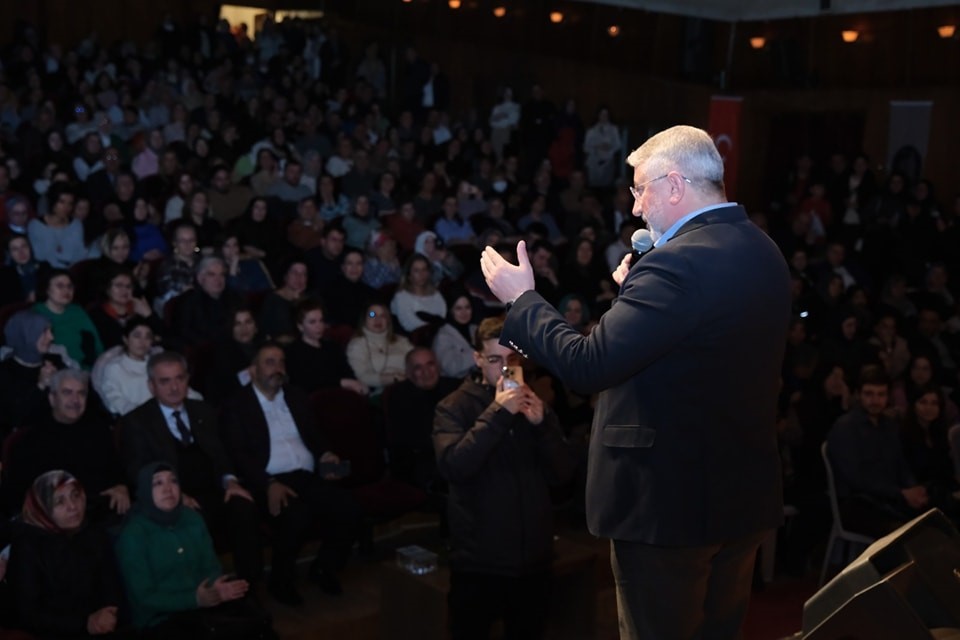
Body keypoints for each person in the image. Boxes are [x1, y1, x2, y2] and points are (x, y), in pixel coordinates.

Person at [479, 125, 792, 639]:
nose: (636, 208)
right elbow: (700, 350)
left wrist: (523, 302)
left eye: (640, 189)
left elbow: (588, 366)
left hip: (668, 506)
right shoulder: (763, 250)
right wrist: (636, 296)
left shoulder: (677, 264)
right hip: (738, 497)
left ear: (674, 185)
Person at [433, 317, 576, 639]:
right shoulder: (453, 407)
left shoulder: (535, 403)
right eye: (495, 360)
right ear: (478, 359)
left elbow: (563, 474)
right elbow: (454, 467)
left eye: (511, 360)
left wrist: (543, 427)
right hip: (479, 562)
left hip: (534, 560)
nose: (503, 369)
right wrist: (498, 413)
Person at [222, 344, 362, 606]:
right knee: (296, 515)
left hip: (306, 475)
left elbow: (314, 435)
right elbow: (238, 455)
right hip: (268, 480)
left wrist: (326, 454)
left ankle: (324, 567)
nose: (278, 368)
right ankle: (280, 580)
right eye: (270, 362)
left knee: (350, 507)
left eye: (281, 362)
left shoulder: (297, 396)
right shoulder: (237, 405)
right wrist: (268, 483)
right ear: (253, 371)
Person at [118, 352, 262, 584]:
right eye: (165, 381)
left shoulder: (203, 410)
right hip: (175, 497)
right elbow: (137, 470)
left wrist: (230, 480)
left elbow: (222, 454)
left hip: (216, 489)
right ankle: (206, 594)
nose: (174, 387)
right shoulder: (137, 421)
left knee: (244, 507)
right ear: (151, 386)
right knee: (192, 521)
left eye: (179, 378)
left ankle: (249, 588)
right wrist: (177, 495)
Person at [115, 462, 273, 638]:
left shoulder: (191, 518)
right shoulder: (133, 535)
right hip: (160, 618)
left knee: (259, 622)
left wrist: (218, 589)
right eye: (158, 483)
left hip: (202, 605)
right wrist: (195, 599)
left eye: (173, 481)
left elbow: (211, 567)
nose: (168, 489)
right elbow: (144, 598)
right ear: (145, 490)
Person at [6, 470, 126, 638]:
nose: (72, 506)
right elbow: (28, 613)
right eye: (59, 502)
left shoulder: (92, 532)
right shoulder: (28, 546)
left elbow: (112, 584)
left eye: (75, 495)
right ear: (42, 508)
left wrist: (111, 613)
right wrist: (85, 623)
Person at [1, 369, 129, 523]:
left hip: (98, 514)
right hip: (50, 521)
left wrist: (121, 486)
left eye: (81, 393)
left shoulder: (99, 430)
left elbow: (116, 469)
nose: (75, 400)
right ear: (52, 399)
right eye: (67, 392)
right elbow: (20, 495)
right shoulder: (30, 440)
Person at [827, 365, 930, 537]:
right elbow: (856, 479)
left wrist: (913, 489)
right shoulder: (845, 427)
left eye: (881, 394)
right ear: (859, 394)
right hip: (859, 504)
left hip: (888, 499)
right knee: (907, 535)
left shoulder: (888, 425)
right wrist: (901, 493)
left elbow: (900, 464)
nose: (875, 400)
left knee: (937, 519)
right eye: (869, 394)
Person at [384, 347, 459, 490]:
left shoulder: (455, 387)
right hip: (421, 461)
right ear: (408, 373)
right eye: (418, 367)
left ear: (437, 366)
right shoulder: (398, 396)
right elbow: (407, 440)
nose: (426, 372)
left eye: (430, 364)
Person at [0, 310, 77, 437]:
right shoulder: (5, 372)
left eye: (50, 331)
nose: (51, 337)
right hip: (31, 438)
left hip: (63, 431)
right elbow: (15, 419)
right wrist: (40, 386)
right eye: (44, 332)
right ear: (26, 335)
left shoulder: (55, 360)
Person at [285, 298, 365, 396]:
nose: (319, 326)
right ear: (300, 326)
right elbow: (306, 383)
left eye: (321, 320)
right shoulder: (293, 352)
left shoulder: (332, 347)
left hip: (343, 396)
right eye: (312, 322)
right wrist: (341, 382)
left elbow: (348, 373)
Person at [33, 268, 104, 369]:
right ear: (47, 289)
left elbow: (97, 344)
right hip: (55, 370)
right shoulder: (36, 313)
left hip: (85, 368)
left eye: (69, 286)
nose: (66, 291)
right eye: (60, 286)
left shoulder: (77, 311)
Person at [346, 302, 413, 396]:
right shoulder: (357, 345)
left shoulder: (401, 340)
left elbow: (418, 362)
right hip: (383, 394)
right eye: (372, 315)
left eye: (383, 315)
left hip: (412, 385)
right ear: (364, 320)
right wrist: (393, 378)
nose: (378, 319)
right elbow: (360, 376)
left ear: (388, 320)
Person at [390, 253, 447, 333]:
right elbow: (410, 324)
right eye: (416, 271)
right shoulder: (401, 296)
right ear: (409, 275)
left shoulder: (435, 294)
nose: (421, 274)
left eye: (424, 270)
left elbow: (443, 316)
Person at [431, 290, 478, 380]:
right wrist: (479, 351)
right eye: (458, 308)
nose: (464, 313)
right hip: (451, 384)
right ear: (450, 310)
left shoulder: (474, 329)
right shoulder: (443, 336)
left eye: (467, 307)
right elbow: (452, 369)